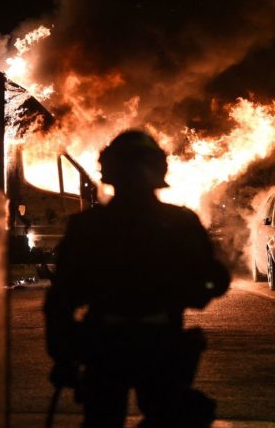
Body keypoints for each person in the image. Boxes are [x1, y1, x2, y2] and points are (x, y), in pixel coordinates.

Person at [44, 130, 230, 428]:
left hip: (104, 346)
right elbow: (209, 283)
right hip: (161, 344)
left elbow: (61, 299)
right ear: (158, 171)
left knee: (102, 420)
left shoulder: (89, 226)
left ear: (109, 172)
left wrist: (63, 355)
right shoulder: (180, 222)